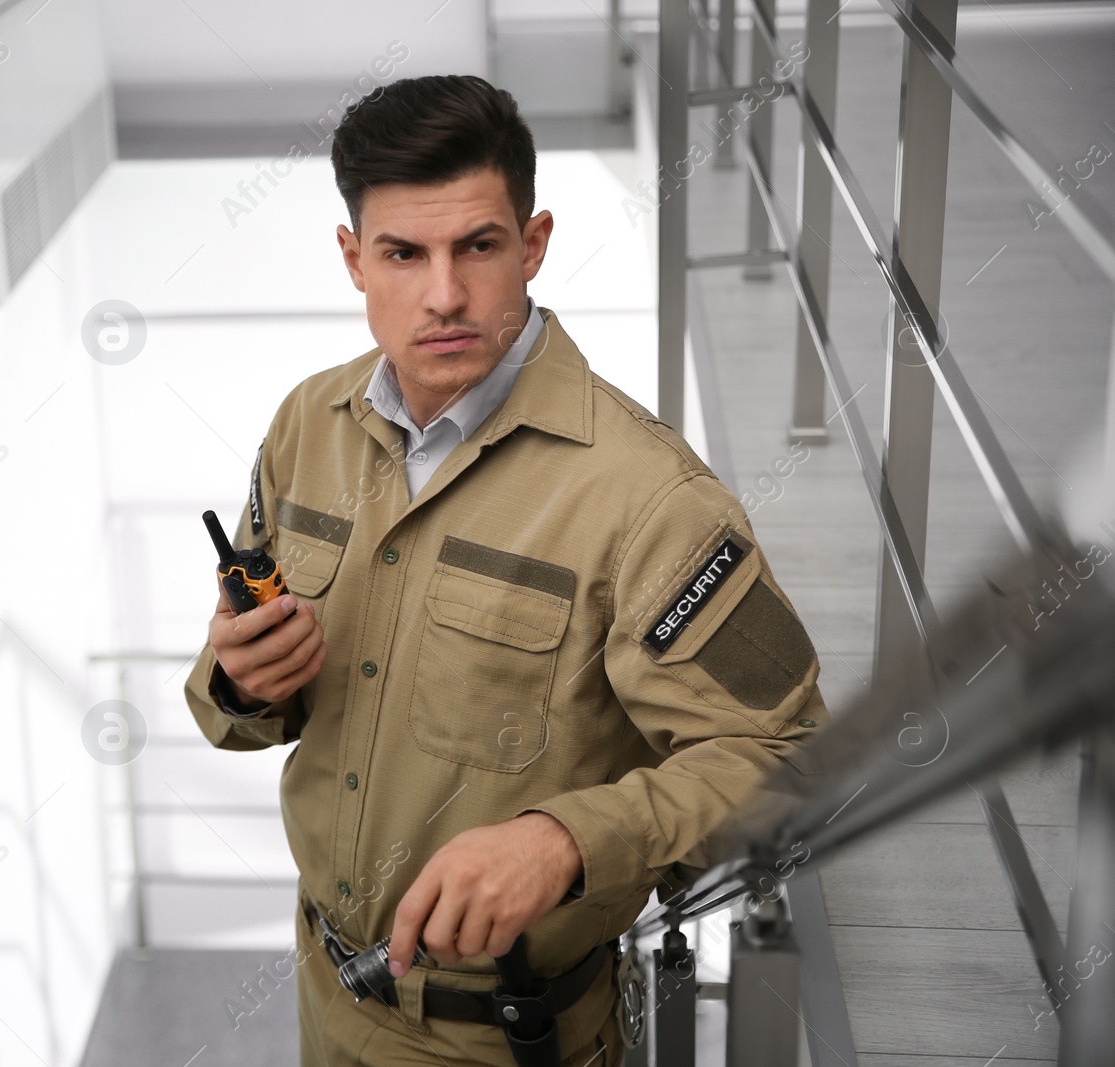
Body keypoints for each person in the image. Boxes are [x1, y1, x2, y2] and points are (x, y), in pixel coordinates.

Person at [182, 73, 830, 1067]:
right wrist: (239, 679)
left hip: (510, 1039)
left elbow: (785, 758)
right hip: (325, 990)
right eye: (403, 252)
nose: (444, 294)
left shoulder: (647, 498)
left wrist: (571, 841)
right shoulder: (303, 427)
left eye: (477, 247)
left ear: (531, 244)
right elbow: (243, 705)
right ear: (355, 259)